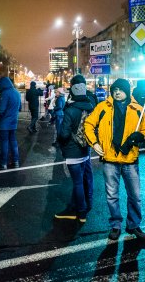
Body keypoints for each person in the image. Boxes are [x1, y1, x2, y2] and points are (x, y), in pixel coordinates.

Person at [84, 78, 145, 242]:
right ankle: (115, 225)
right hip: (110, 159)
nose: (117, 92)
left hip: (130, 159)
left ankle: (133, 224)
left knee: (135, 195)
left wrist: (140, 135)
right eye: (114, 90)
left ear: (127, 91)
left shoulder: (137, 109)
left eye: (120, 90)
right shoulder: (103, 107)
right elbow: (88, 124)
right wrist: (94, 143)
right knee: (112, 195)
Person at [54, 79, 94, 222]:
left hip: (72, 151)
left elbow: (64, 134)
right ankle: (79, 208)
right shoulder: (90, 107)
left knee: (77, 182)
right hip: (85, 149)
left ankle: (81, 212)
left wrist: (60, 140)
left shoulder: (71, 110)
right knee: (81, 180)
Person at [0, 76, 21, 170]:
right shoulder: (17, 92)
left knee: (4, 143)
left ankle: (3, 163)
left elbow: (1, 110)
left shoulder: (5, 94)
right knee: (13, 142)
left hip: (4, 124)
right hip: (13, 122)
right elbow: (19, 108)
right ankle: (15, 161)